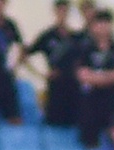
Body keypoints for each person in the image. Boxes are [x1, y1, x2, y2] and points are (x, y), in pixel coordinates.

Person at [75, 9, 114, 148]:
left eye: (107, 23)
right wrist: (110, 76)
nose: (104, 27)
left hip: (113, 103)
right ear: (93, 26)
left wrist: (99, 77)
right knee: (89, 143)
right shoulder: (85, 49)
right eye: (100, 23)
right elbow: (83, 75)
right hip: (91, 103)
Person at [27, 0, 84, 128]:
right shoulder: (47, 36)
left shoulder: (76, 37)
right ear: (55, 12)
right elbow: (24, 55)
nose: (62, 14)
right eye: (60, 11)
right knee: (54, 122)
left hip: (73, 86)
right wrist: (40, 74)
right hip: (56, 86)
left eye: (65, 11)